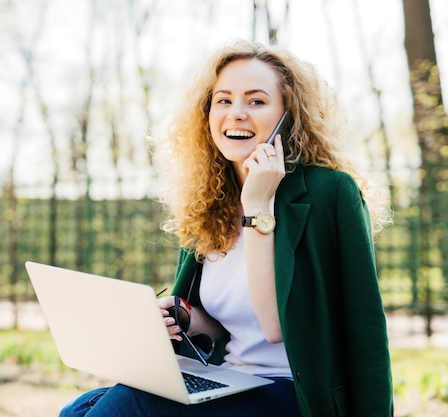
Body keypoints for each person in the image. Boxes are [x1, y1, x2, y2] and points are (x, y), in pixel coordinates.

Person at [59, 38, 394, 417]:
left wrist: (257, 206)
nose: (236, 113)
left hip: (294, 394)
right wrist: (184, 317)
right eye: (224, 100)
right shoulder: (208, 200)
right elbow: (220, 327)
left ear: (288, 114)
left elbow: (290, 327)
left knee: (127, 405)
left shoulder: (330, 192)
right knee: (79, 409)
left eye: (256, 101)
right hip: (227, 380)